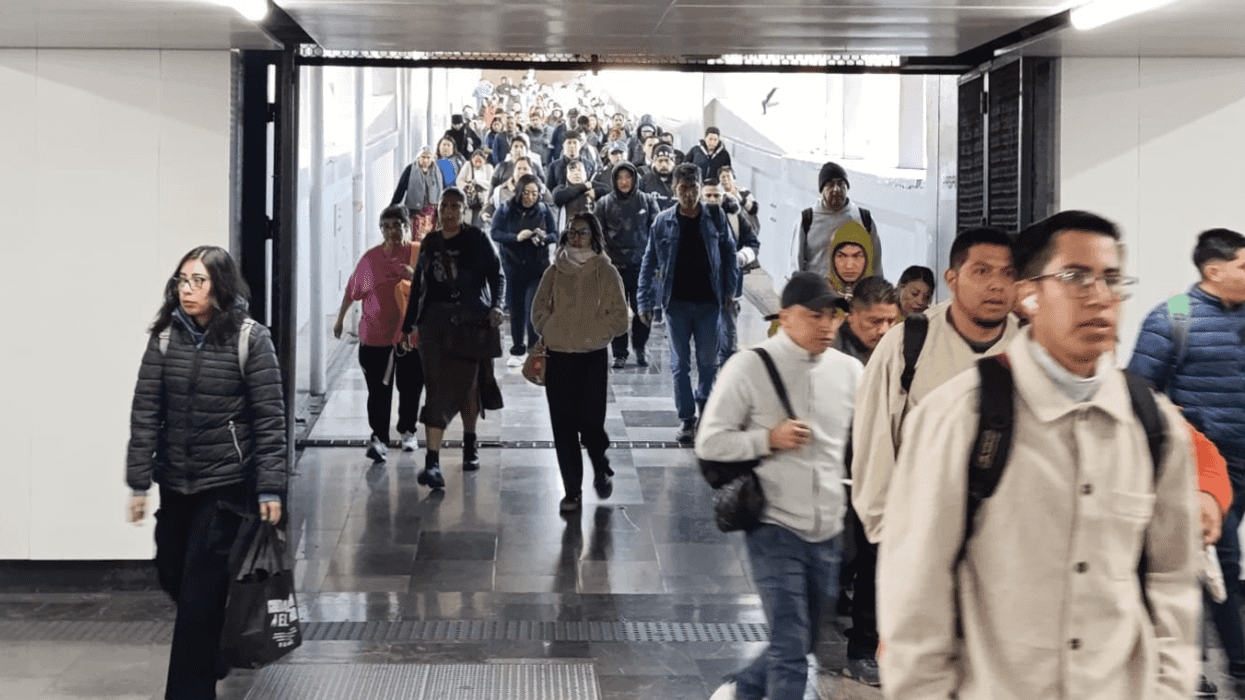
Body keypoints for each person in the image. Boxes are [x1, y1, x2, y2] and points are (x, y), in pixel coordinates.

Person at [878, 210, 1200, 699]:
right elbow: (914, 598)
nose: (1099, 296)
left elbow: (1172, 578)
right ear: (1027, 295)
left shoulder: (1156, 429)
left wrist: (1170, 688)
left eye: (1111, 279)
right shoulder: (960, 419)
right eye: (1075, 277)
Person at [127, 246, 286, 700]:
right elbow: (145, 412)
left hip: (226, 486)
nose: (188, 290)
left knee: (198, 595)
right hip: (176, 481)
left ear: (221, 286)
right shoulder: (164, 339)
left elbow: (270, 417)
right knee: (171, 571)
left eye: (198, 281)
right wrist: (139, 481)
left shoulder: (250, 338)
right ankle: (213, 643)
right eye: (182, 280)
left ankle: (188, 691)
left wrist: (271, 485)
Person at [698, 272, 860, 700]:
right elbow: (709, 440)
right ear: (785, 318)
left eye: (833, 316)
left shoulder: (849, 372)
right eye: (815, 316)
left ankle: (742, 690)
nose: (827, 325)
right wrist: (767, 439)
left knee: (802, 641)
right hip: (772, 524)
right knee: (790, 646)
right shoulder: (750, 366)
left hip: (828, 529)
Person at [1127, 227, 1245, 693]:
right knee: (1209, 560)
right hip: (1206, 464)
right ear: (1213, 271)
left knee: (1221, 565)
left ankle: (1233, 662)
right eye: (1242, 265)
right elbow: (1139, 388)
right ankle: (1196, 668)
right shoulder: (1173, 315)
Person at [851, 228, 1021, 546]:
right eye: (981, 271)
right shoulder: (906, 344)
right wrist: (888, 535)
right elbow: (874, 441)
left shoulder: (1032, 349)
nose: (996, 285)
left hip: (1007, 546)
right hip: (919, 536)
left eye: (1008, 273)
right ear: (952, 279)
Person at [400, 188, 505, 489]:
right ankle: (432, 463)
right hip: (434, 325)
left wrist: (497, 305)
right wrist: (409, 327)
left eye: (455, 206)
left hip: (471, 324)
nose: (449, 211)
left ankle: (469, 442)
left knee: (468, 388)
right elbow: (420, 286)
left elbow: (497, 275)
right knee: (436, 390)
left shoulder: (477, 239)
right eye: (444, 206)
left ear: (463, 211)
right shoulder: (431, 242)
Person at [531, 213, 630, 513]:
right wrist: (552, 329)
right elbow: (538, 311)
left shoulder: (606, 271)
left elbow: (621, 318)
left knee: (590, 423)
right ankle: (572, 490)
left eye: (582, 233)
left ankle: (600, 464)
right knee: (563, 426)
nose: (576, 238)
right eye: (572, 232)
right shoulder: (554, 271)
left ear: (594, 236)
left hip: (592, 358)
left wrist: (595, 334)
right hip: (559, 356)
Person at [637, 163, 740, 443]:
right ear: (674, 190)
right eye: (683, 188)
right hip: (676, 305)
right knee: (680, 364)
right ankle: (686, 418)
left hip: (709, 304)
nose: (689, 193)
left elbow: (730, 254)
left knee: (708, 362)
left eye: (693, 187)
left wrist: (730, 290)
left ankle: (705, 407)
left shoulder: (715, 217)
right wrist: (644, 301)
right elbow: (649, 262)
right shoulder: (662, 222)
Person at [334, 205, 425, 462]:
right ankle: (379, 438)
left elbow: (438, 286)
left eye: (397, 225)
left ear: (407, 226)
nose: (392, 231)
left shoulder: (418, 253)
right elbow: (352, 290)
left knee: (410, 387)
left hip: (410, 337)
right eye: (386, 226)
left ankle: (408, 430)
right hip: (375, 336)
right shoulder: (371, 259)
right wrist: (340, 319)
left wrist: (416, 276)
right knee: (378, 391)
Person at [595, 161, 658, 370]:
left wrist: (657, 263)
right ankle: (619, 353)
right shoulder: (604, 204)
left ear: (634, 179)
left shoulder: (647, 201)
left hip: (642, 267)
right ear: (614, 180)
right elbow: (596, 235)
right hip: (615, 268)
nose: (624, 182)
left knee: (643, 311)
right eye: (620, 178)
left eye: (628, 178)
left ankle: (640, 347)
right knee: (616, 312)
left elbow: (657, 234)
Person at [491, 173, 557, 366]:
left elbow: (555, 234)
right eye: (526, 193)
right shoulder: (505, 209)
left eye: (534, 193)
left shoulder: (544, 210)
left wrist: (544, 237)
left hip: (538, 268)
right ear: (519, 192)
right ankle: (517, 349)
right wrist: (516, 237)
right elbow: (495, 232)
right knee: (516, 310)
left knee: (532, 308)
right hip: (513, 267)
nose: (530, 197)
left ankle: (533, 349)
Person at [791, 162, 884, 284]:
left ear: (847, 188)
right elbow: (795, 265)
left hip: (852, 296)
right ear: (821, 190)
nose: (836, 189)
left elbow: (876, 265)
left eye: (841, 184)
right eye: (830, 184)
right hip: (817, 295)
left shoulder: (863, 218)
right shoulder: (807, 219)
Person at [701, 179, 759, 366]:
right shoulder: (691, 218)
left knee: (728, 333)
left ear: (723, 196)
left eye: (716, 195)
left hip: (730, 286)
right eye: (707, 195)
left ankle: (727, 367)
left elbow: (752, 242)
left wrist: (741, 257)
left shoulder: (735, 217)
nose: (712, 199)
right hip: (701, 287)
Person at [831, 276, 899, 365]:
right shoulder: (827, 351)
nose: (884, 330)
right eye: (875, 321)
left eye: (891, 321)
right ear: (851, 315)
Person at [391, 146, 444, 238]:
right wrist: (393, 205)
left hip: (432, 210)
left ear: (432, 159)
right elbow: (401, 188)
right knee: (417, 236)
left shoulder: (437, 171)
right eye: (423, 157)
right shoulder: (410, 170)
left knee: (431, 236)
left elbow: (440, 190)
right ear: (418, 158)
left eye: (428, 158)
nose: (425, 160)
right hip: (416, 210)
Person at [455, 148, 494, 229]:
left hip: (483, 201)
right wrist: (468, 186)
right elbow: (459, 181)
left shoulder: (489, 168)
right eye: (475, 158)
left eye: (481, 158)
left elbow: (491, 184)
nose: (478, 160)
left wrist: (477, 182)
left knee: (480, 227)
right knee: (467, 225)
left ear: (484, 160)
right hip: (469, 201)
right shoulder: (467, 165)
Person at [551, 159, 595, 229]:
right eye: (572, 171)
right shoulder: (561, 189)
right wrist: (584, 186)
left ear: (586, 174)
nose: (576, 173)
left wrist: (595, 192)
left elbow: (608, 190)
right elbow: (557, 198)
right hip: (569, 233)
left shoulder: (594, 187)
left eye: (579, 170)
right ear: (567, 175)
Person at [718, 165, 759, 233]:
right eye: (723, 177)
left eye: (728, 176)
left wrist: (738, 197)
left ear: (734, 179)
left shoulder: (743, 191)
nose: (725, 179)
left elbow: (754, 209)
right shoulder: (719, 195)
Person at [639, 143, 677, 210]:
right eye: (660, 161)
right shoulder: (644, 181)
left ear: (673, 162)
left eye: (667, 160)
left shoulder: (681, 181)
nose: (663, 165)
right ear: (654, 162)